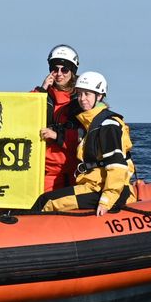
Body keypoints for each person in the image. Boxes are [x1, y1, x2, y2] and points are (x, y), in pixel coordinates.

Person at [35, 71, 135, 215]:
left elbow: (117, 165)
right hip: (94, 185)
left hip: (102, 190)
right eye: (80, 94)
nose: (82, 99)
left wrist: (106, 200)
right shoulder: (90, 123)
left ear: (99, 96)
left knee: (46, 201)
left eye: (87, 94)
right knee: (47, 198)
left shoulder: (108, 125)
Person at [34, 44, 82, 191]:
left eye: (64, 69)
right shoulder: (41, 95)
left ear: (72, 71)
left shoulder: (82, 98)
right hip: (46, 170)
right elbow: (25, 112)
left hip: (75, 170)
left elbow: (88, 134)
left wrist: (57, 135)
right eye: (55, 69)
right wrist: (42, 90)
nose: (59, 74)